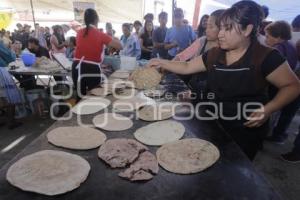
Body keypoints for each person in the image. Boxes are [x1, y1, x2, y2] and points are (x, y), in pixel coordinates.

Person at [147, 0, 300, 160]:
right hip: (211, 122)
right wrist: (163, 62)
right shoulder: (215, 54)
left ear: (247, 29)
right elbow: (186, 66)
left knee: (235, 174)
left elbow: (293, 85)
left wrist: (268, 109)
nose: (220, 34)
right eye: (220, 28)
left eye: (227, 28)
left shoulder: (265, 56)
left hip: (244, 130)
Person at [174, 9, 224, 102]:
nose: (206, 30)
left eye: (211, 27)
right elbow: (182, 56)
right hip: (194, 89)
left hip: (211, 98)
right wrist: (166, 65)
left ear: (222, 28)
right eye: (206, 26)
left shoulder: (226, 49)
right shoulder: (202, 41)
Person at [264, 21, 300, 144]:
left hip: (276, 87)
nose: (265, 40)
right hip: (286, 85)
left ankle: (264, 135)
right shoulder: (290, 45)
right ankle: (273, 134)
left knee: (269, 112)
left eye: (268, 36)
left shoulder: (277, 49)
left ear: (278, 37)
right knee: (277, 114)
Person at [73, 8, 122, 97]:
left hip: (76, 67)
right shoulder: (99, 34)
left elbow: (87, 47)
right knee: (95, 97)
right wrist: (111, 36)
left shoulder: (79, 32)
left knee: (80, 97)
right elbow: (120, 46)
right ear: (96, 19)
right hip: (91, 68)